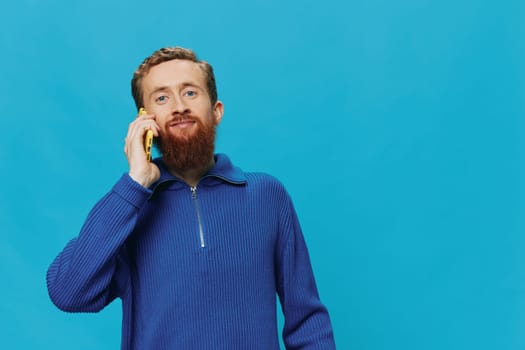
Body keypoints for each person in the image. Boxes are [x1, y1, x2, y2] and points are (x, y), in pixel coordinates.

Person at [46, 46, 336, 349]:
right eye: (161, 98)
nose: (178, 106)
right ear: (144, 122)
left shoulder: (266, 196)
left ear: (216, 111)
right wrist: (134, 184)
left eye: (190, 93)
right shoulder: (128, 208)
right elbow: (68, 292)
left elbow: (308, 322)